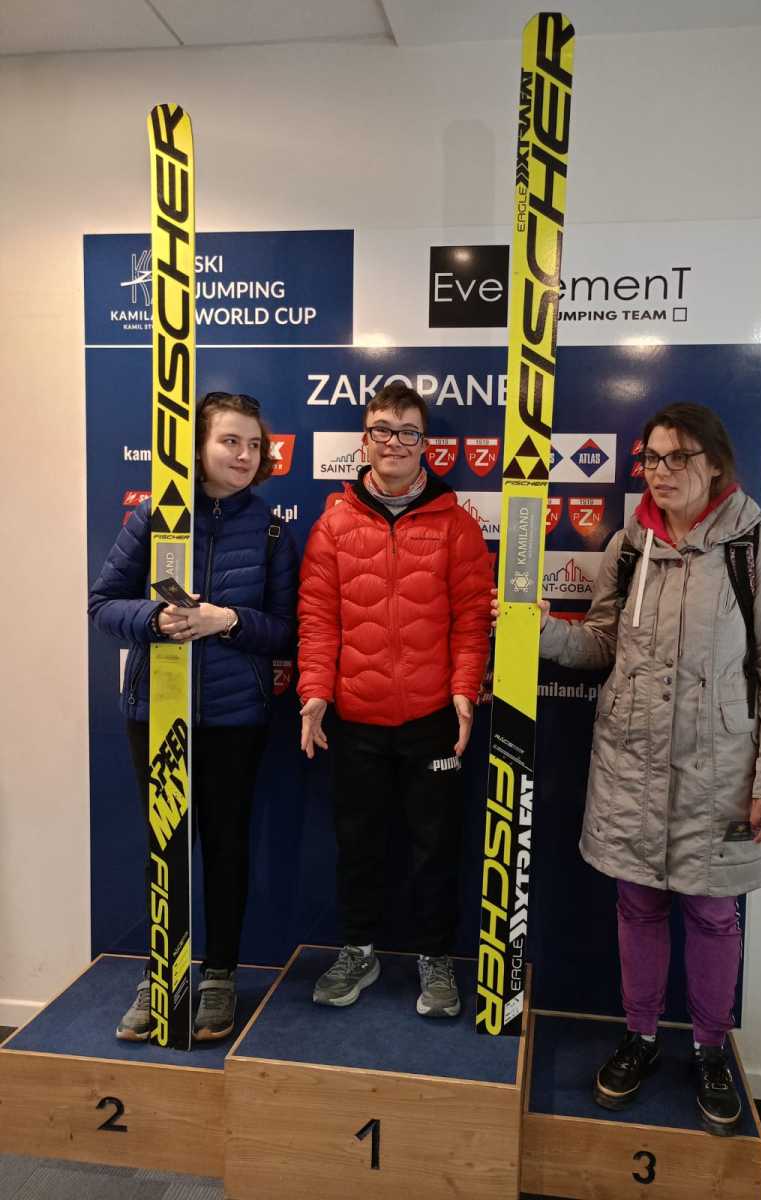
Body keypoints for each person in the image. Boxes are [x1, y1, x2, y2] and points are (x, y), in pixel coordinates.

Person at [537, 403, 761, 1134]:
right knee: (638, 906)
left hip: (719, 773)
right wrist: (543, 634)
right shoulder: (630, 545)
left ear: (714, 464)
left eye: (678, 457)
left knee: (713, 914)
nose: (661, 472)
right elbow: (602, 646)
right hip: (630, 763)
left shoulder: (758, 551)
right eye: (651, 458)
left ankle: (712, 1050)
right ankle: (641, 1037)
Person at [88, 391, 298, 1041]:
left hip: (235, 719)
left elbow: (286, 629)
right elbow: (102, 605)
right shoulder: (154, 515)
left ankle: (219, 976)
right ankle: (163, 972)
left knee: (227, 848)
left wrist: (225, 620)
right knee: (166, 847)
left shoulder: (270, 529)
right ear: (198, 447)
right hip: (156, 712)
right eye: (230, 441)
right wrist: (155, 619)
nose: (244, 455)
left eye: (254, 445)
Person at [297, 382, 493, 1018]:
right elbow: (318, 619)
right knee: (358, 845)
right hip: (355, 719)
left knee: (435, 848)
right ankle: (359, 950)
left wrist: (464, 690)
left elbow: (472, 618)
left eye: (408, 431)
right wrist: (315, 693)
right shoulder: (333, 524)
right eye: (383, 429)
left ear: (424, 443)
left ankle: (436, 959)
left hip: (432, 719)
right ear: (365, 440)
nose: (395, 442)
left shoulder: (457, 525)